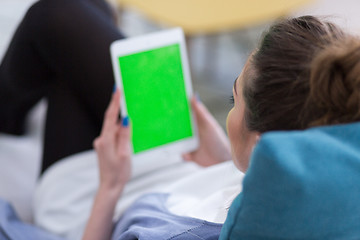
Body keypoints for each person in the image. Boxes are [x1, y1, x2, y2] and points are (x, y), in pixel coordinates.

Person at [1, 6, 360, 240]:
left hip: (100, 199)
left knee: (54, 21)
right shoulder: (329, 166)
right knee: (84, 14)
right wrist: (224, 160)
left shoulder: (180, 235)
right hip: (186, 171)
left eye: (234, 101)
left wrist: (110, 185)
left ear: (260, 144)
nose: (229, 113)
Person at [0, 0, 125, 173]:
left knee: (50, 15)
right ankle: (6, 116)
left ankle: (5, 116)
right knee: (92, 6)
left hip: (164, 127)